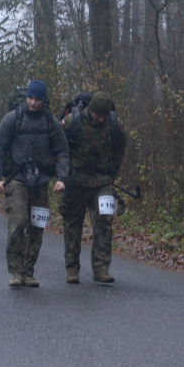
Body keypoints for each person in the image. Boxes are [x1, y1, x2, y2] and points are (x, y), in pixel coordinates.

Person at [0, 80, 70, 288]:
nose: (33, 103)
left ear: (44, 100)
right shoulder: (12, 119)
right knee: (18, 221)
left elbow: (62, 152)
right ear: (26, 98)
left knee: (37, 226)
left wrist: (61, 178)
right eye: (30, 98)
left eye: (37, 99)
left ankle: (28, 271)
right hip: (16, 179)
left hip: (41, 181)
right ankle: (15, 271)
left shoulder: (51, 123)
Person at [61, 91, 127, 284]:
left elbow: (119, 153)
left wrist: (110, 175)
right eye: (97, 115)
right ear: (90, 110)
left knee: (104, 222)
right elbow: (60, 149)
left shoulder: (115, 126)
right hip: (76, 181)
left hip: (101, 181)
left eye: (103, 116)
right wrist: (63, 176)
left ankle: (101, 268)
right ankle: (72, 268)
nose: (100, 119)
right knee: (72, 225)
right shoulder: (73, 122)